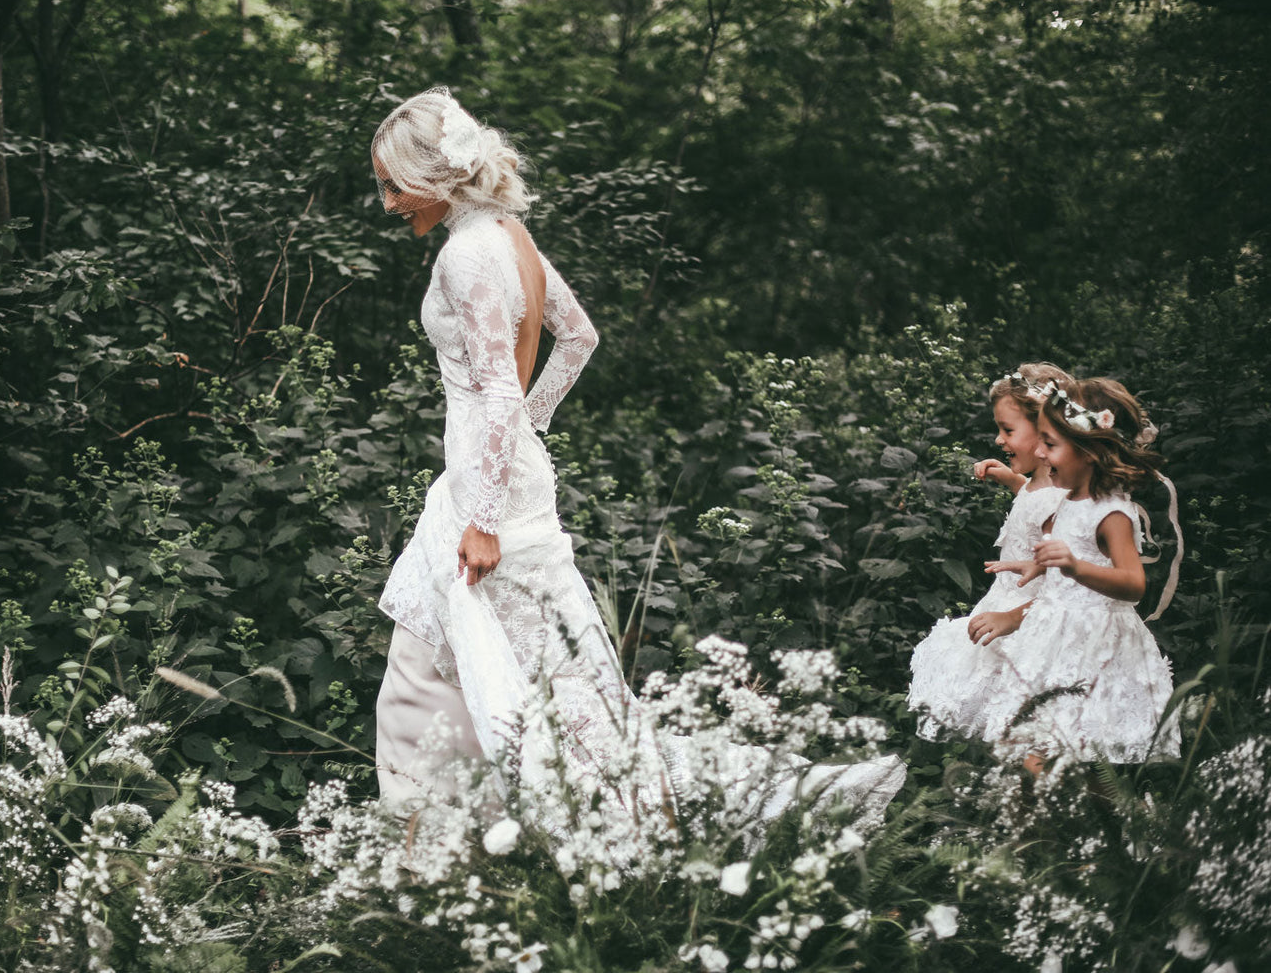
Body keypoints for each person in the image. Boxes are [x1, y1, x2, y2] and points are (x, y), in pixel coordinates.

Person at [368, 87, 904, 831]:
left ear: (436, 175)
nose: (388, 203)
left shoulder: (467, 253)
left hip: (485, 500)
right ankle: (448, 834)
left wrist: (489, 505)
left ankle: (488, 831)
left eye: (393, 185)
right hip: (490, 479)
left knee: (547, 695)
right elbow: (579, 337)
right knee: (466, 667)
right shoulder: (511, 236)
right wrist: (528, 431)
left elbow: (496, 388)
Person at [956, 376, 1181, 766]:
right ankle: (1047, 822)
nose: (1040, 454)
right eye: (1040, 440)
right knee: (1028, 746)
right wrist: (1036, 565)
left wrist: (1076, 567)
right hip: (1052, 639)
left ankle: (1086, 823)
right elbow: (1061, 578)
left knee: (1082, 760)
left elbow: (1133, 584)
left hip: (1094, 647)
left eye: (1051, 444)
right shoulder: (1068, 501)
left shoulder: (1111, 513)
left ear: (1090, 451)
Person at [907, 363, 1070, 745]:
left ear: (1048, 431)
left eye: (1008, 430)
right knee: (1017, 736)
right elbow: (1034, 498)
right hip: (1009, 611)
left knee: (1037, 734)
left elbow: (1068, 588)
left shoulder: (1061, 503)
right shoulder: (1042, 486)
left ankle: (1091, 801)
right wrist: (1013, 481)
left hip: (1034, 628)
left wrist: (1012, 618)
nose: (999, 440)